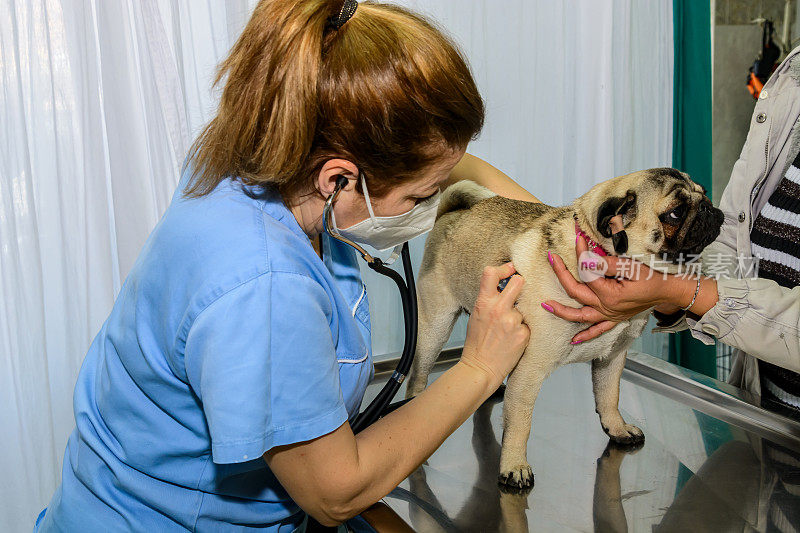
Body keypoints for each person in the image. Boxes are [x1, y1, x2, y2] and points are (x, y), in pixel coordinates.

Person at [34, 1, 537, 530]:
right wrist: (480, 368)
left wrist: (556, 233)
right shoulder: (265, 288)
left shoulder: (262, 155)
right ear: (339, 179)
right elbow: (337, 494)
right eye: (421, 197)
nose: (430, 209)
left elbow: (449, 159)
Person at [543, 45, 800, 531]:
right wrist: (663, 291)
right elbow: (733, 242)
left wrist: (677, 292)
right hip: (770, 421)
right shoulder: (793, 77)